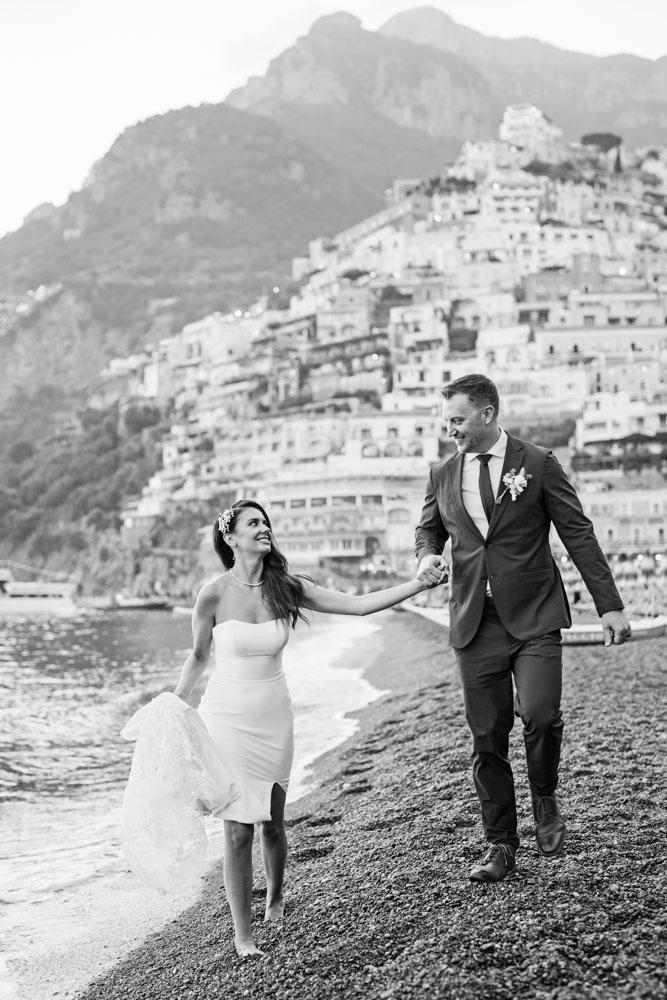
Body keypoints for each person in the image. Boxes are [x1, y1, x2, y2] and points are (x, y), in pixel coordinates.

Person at [173, 499, 439, 957]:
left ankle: (276, 896)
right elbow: (199, 656)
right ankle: (243, 937)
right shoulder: (212, 593)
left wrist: (418, 583)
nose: (264, 528)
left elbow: (358, 606)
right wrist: (176, 705)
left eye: (265, 522)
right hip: (226, 719)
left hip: (274, 717)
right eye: (253, 523)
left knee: (273, 824)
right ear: (231, 537)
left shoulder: (287, 587)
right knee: (237, 829)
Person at [415, 374, 631, 885]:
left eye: (459, 420)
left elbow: (577, 532)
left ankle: (545, 795)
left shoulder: (537, 463)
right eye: (446, 421)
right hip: (474, 621)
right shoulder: (442, 472)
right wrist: (427, 555)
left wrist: (610, 606)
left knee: (541, 713)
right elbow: (429, 529)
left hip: (534, 614)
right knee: (487, 737)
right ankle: (500, 844)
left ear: (488, 413)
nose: (451, 430)